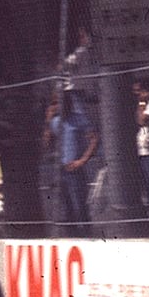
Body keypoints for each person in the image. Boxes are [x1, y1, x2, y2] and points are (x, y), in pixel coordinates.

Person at [44, 90, 99, 236]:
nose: (56, 106)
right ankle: (72, 236)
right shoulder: (55, 122)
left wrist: (82, 160)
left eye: (58, 103)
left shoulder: (79, 119)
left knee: (79, 205)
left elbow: (94, 139)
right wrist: (48, 122)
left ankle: (87, 235)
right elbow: (46, 144)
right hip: (60, 169)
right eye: (53, 103)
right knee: (65, 207)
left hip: (74, 169)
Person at [133, 76, 149, 214]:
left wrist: (142, 101)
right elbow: (138, 120)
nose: (137, 94)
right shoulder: (143, 104)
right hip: (143, 152)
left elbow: (142, 120)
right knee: (147, 185)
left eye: (139, 91)